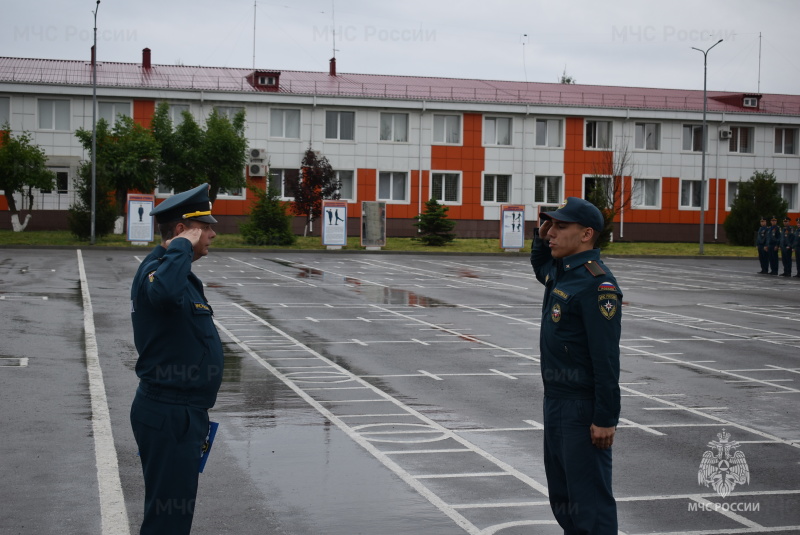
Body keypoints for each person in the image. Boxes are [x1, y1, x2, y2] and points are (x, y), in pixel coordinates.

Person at [129, 183, 224, 534]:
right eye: (206, 227)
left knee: (174, 514)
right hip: (168, 412)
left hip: (182, 413)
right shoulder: (158, 271)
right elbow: (165, 294)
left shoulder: (176, 272)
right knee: (167, 519)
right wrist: (182, 245)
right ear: (183, 230)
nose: (213, 233)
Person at [531, 197, 622, 534]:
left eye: (560, 227)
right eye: (550, 226)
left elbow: (606, 358)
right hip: (555, 400)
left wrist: (604, 418)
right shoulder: (564, 273)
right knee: (564, 498)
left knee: (590, 507)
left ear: (586, 234)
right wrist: (542, 233)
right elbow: (539, 260)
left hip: (581, 410)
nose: (551, 233)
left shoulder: (597, 285)